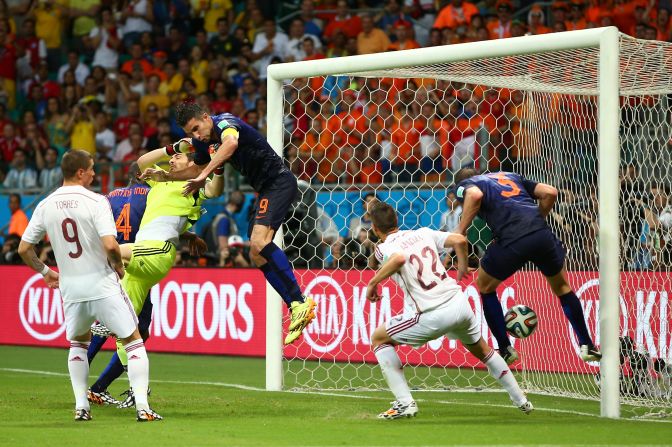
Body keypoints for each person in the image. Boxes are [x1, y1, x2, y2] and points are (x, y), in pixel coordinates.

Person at [141, 102, 316, 345]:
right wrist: (166, 176)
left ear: (205, 117)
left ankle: (300, 301)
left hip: (279, 182)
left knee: (259, 241)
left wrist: (204, 176)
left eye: (196, 128)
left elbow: (230, 144)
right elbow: (197, 169)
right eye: (190, 133)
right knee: (256, 253)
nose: (195, 135)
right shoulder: (203, 143)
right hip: (264, 190)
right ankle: (295, 304)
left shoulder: (225, 122)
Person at [17, 149, 161, 422]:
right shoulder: (96, 201)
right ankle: (143, 407)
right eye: (92, 169)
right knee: (133, 341)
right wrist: (118, 266)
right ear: (80, 172)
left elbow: (24, 248)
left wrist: (46, 271)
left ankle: (82, 406)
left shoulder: (46, 204)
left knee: (78, 344)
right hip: (102, 283)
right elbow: (110, 244)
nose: (95, 174)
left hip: (71, 288)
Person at [365, 201, 533, 419]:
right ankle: (521, 400)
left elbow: (397, 258)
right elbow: (460, 239)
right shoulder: (423, 233)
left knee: (379, 339)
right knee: (484, 350)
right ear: (397, 220)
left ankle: (404, 403)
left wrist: (373, 283)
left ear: (375, 228)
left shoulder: (384, 248)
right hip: (459, 303)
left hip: (431, 313)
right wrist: (462, 265)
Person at [94, 145, 215, 407]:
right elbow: (141, 162)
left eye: (178, 157)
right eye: (171, 157)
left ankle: (101, 312)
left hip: (156, 252)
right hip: (142, 260)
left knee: (109, 252)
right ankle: (139, 392)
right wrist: (172, 147)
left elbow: (215, 189)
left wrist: (212, 168)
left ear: (193, 165)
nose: (171, 160)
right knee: (126, 333)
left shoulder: (195, 187)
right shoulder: (160, 181)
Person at [453, 168, 601, 364]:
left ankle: (505, 348)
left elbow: (474, 194)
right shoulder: (509, 176)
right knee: (563, 288)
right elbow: (550, 192)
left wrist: (460, 230)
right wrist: (536, 220)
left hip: (511, 239)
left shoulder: (466, 185)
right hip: (541, 235)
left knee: (485, 287)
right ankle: (587, 343)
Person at [86, 163, 152, 407]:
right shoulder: (151, 195)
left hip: (108, 264)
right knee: (137, 332)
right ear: (139, 174)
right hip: (134, 266)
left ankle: (89, 386)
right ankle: (114, 388)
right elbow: (160, 227)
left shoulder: (109, 197)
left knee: (107, 326)